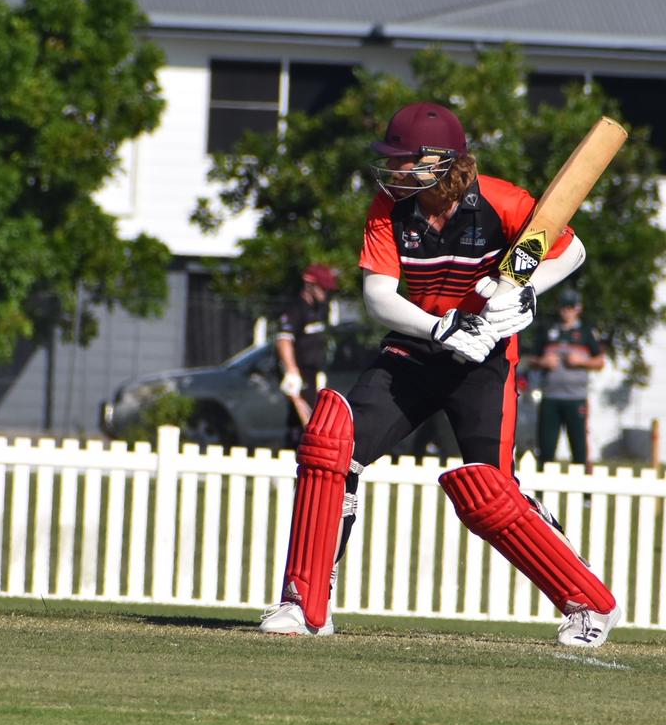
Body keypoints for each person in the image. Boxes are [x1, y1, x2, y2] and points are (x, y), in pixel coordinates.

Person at [259, 102, 621, 648]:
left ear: (439, 161)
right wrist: (439, 330)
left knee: (491, 492)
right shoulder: (389, 208)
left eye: (403, 162)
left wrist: (522, 292)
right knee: (332, 444)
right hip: (416, 345)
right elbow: (379, 296)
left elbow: (570, 251)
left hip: (488, 357)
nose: (393, 172)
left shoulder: (501, 201)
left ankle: (588, 602)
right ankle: (304, 603)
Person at [528, 287, 605, 470]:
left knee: (579, 448)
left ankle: (584, 495)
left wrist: (581, 361)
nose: (566, 311)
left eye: (570, 307)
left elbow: (600, 362)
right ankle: (541, 493)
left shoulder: (586, 332)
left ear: (578, 308)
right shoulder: (547, 330)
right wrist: (543, 362)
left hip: (575, 398)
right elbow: (530, 359)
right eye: (564, 307)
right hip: (550, 397)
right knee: (546, 447)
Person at [276, 264, 339, 449]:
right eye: (322, 287)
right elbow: (284, 341)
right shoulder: (295, 309)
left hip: (314, 375)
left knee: (313, 421)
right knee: (303, 425)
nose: (325, 293)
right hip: (300, 374)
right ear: (309, 283)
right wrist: (292, 372)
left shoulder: (319, 310)